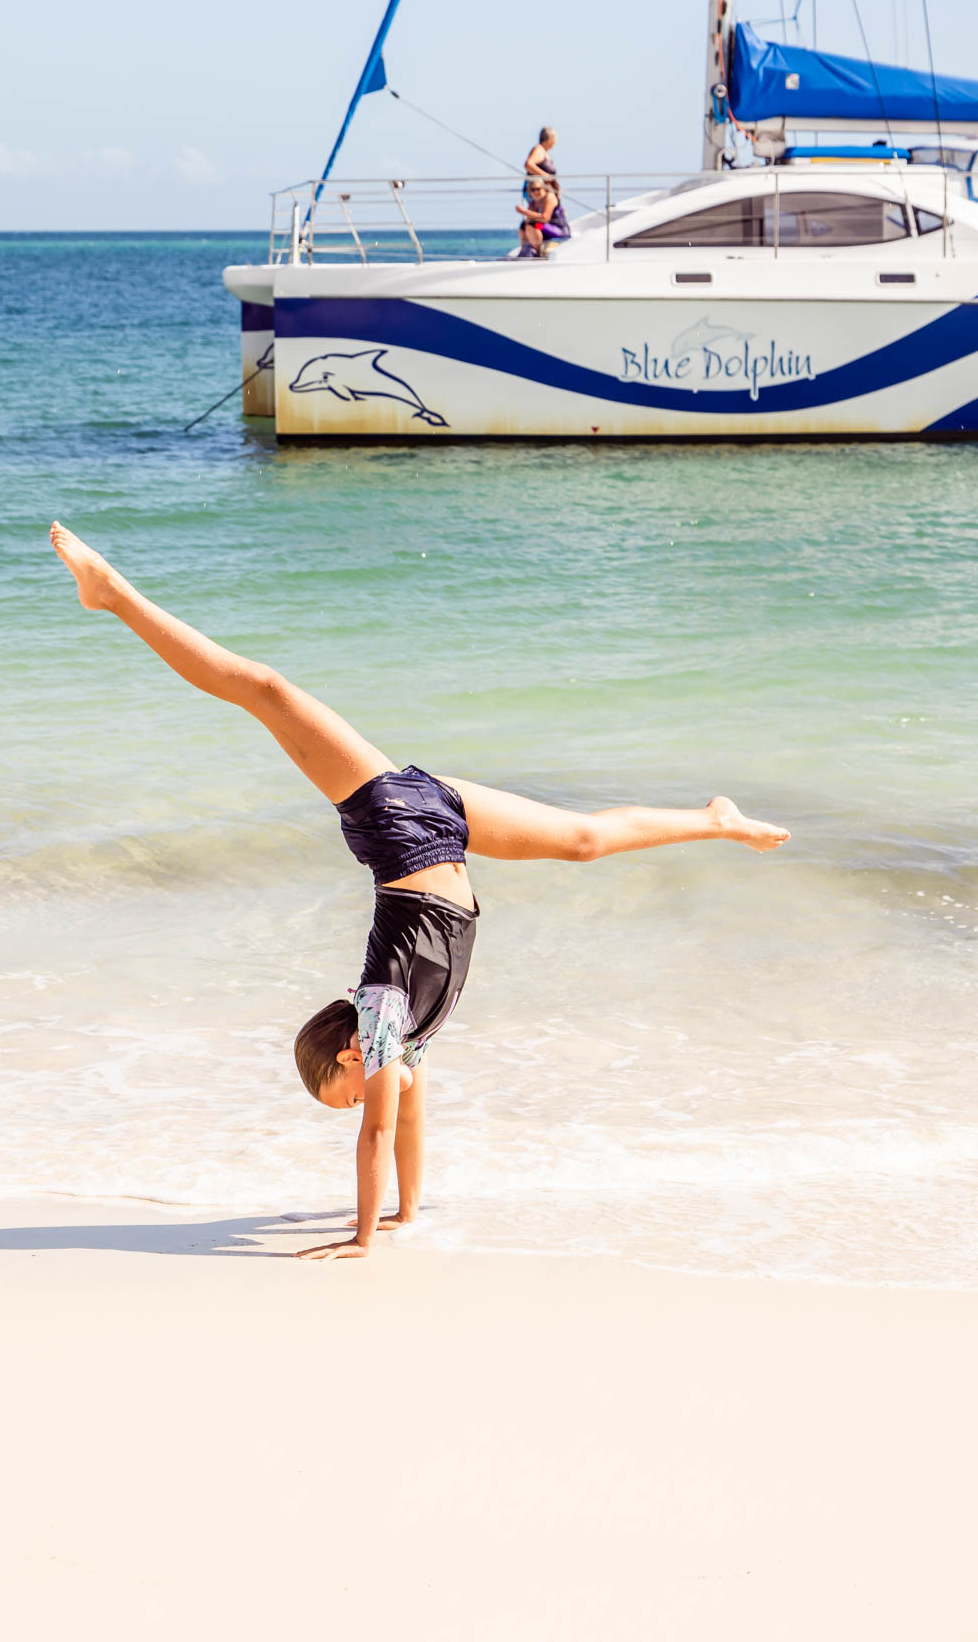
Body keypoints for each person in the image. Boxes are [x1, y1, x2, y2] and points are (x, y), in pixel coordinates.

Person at [49, 522, 790, 1263]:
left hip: (397, 831)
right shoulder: (409, 1037)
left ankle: (112, 594)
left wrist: (361, 1240)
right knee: (584, 842)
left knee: (265, 691)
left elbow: (378, 1129)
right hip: (441, 820)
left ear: (348, 1059)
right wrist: (405, 1215)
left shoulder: (380, 1021)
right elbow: (406, 1127)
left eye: (348, 1094)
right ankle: (714, 819)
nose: (364, 1102)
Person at [516, 176, 571, 257]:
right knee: (524, 225)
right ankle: (525, 250)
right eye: (532, 190)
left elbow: (545, 217)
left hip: (559, 230)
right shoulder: (533, 202)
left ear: (544, 188)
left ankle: (537, 253)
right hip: (545, 229)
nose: (535, 192)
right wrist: (528, 212)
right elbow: (528, 219)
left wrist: (525, 212)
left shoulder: (550, 197)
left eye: (538, 189)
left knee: (533, 225)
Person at [524, 126, 558, 192]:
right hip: (537, 193)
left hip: (546, 191)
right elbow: (528, 164)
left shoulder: (544, 151)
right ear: (550, 139)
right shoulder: (539, 149)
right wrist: (545, 176)